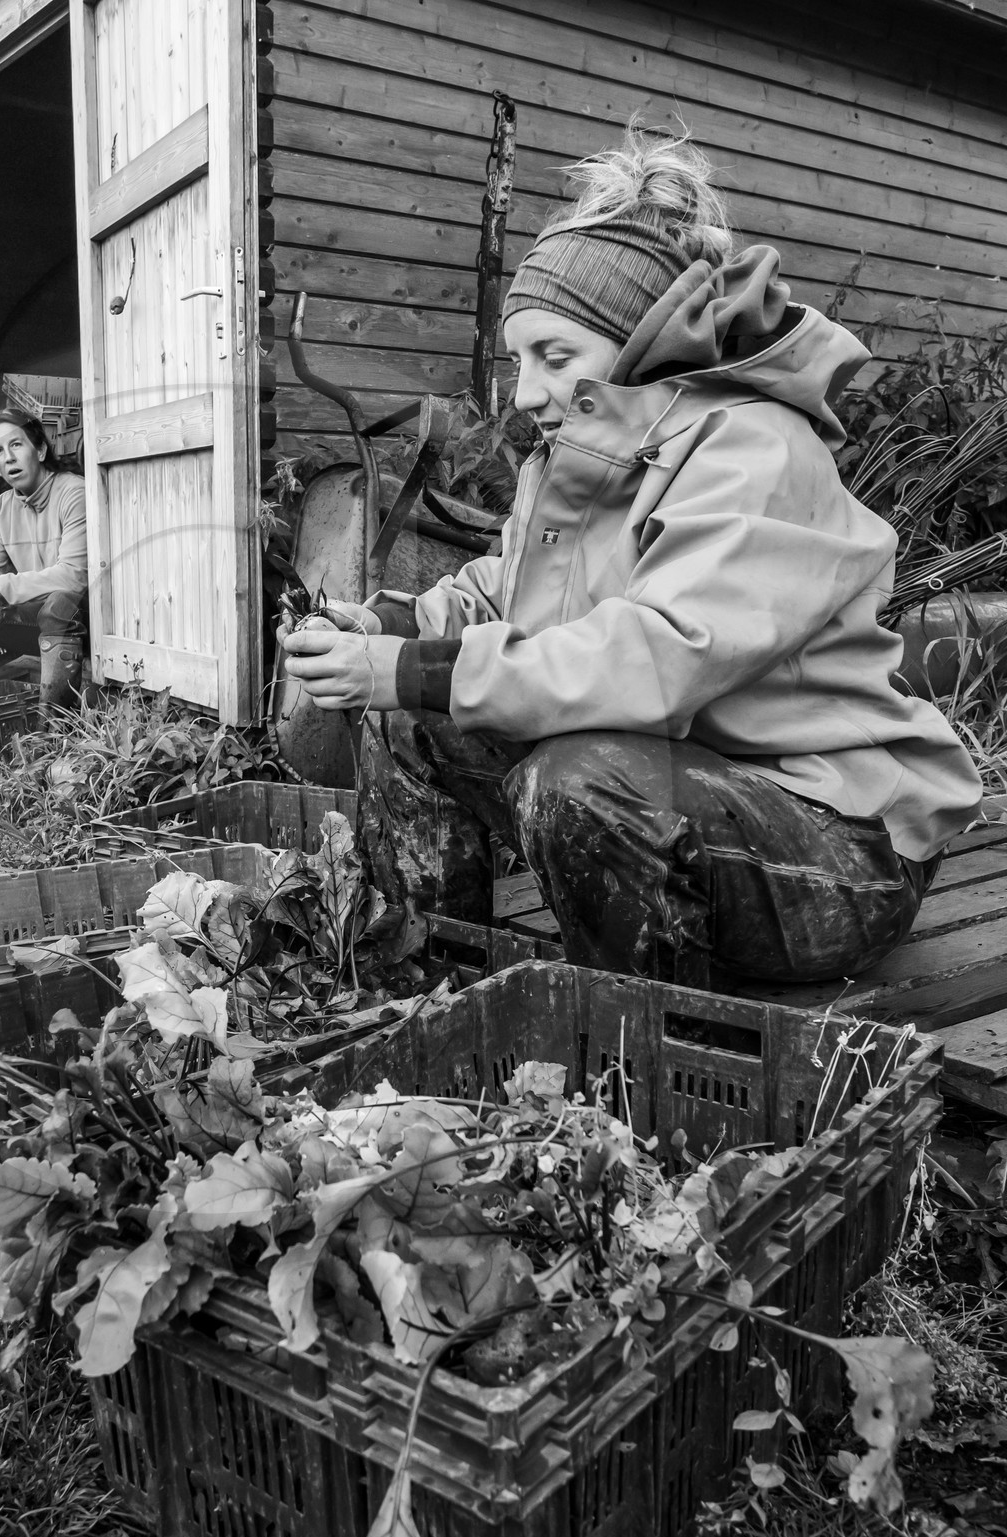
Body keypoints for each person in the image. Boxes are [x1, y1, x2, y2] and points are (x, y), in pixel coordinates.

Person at [281, 124, 982, 992]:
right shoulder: (581, 457)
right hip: (692, 792)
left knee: (577, 779)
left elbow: (657, 656)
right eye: (518, 360)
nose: (525, 390)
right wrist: (386, 627)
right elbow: (501, 595)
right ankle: (434, 990)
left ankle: (632, 1055)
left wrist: (413, 668)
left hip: (836, 841)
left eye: (555, 356)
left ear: (638, 339)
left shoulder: (754, 449)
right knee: (409, 717)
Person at [0, 407, 87, 714]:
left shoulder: (73, 492)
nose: (8, 457)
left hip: (80, 622)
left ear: (41, 449)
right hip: (36, 620)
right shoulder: (3, 507)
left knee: (60, 604)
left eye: (16, 445)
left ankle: (53, 729)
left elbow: (74, 577)